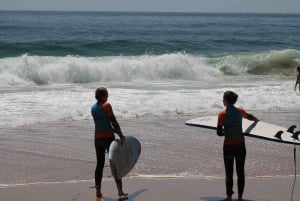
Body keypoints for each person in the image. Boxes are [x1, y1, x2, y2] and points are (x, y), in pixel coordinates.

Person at [217, 91, 258, 201]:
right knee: (240, 172)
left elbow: (219, 133)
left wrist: (228, 131)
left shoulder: (222, 115)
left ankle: (229, 197)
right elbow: (250, 117)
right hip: (240, 145)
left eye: (223, 99)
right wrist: (257, 121)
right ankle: (240, 197)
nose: (222, 100)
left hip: (228, 147)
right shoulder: (240, 111)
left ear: (226, 101)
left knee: (229, 172)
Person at [91, 87, 127, 198]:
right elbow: (113, 122)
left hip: (97, 139)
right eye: (107, 94)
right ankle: (120, 191)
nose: (108, 96)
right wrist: (120, 135)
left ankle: (98, 190)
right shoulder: (107, 105)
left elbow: (102, 123)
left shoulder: (93, 108)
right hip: (108, 139)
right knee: (115, 164)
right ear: (103, 96)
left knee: (100, 164)